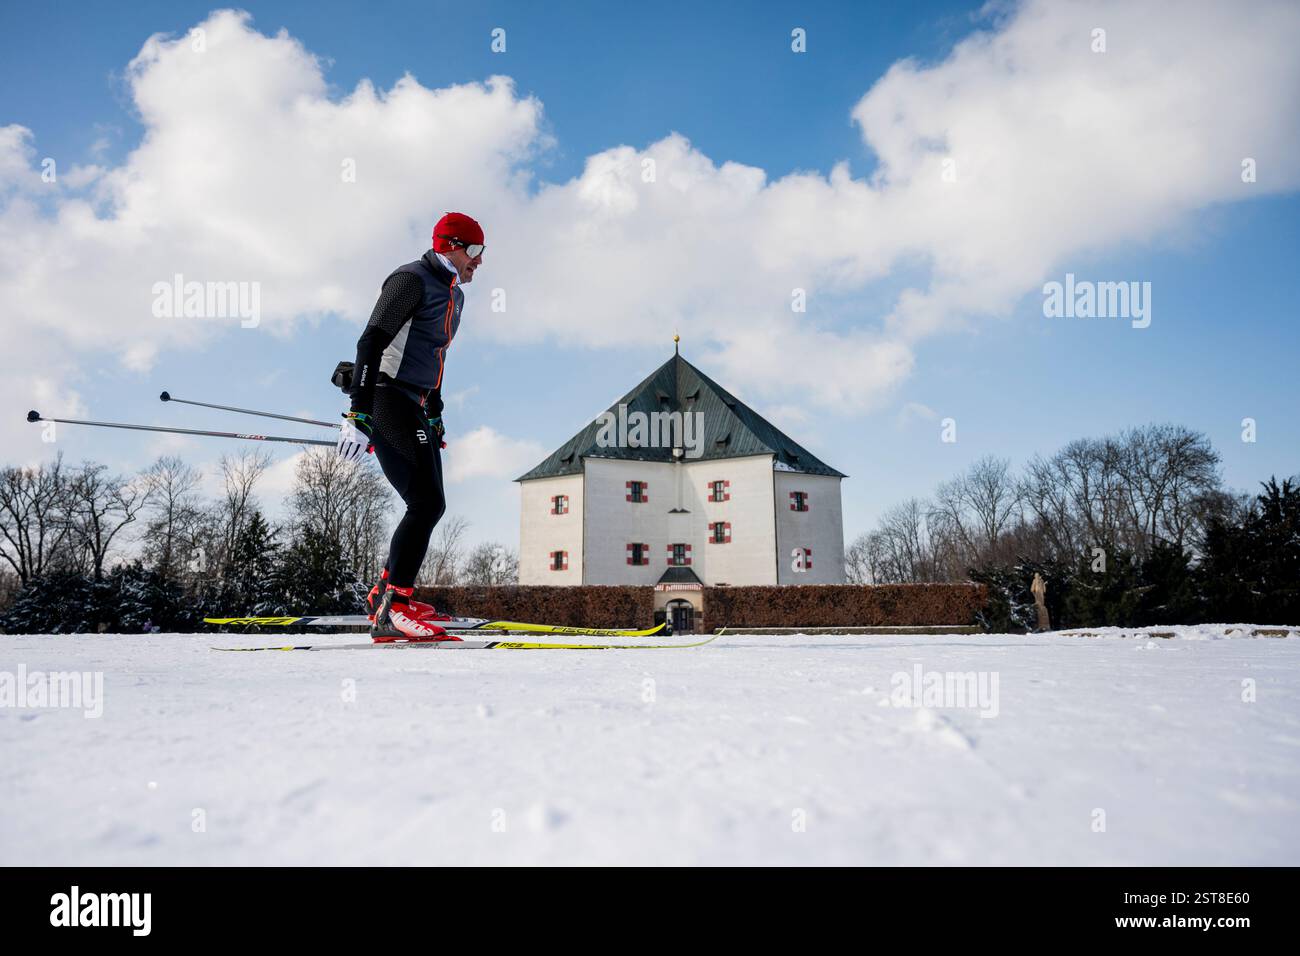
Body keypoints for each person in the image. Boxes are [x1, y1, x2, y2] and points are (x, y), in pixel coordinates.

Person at [335, 212, 485, 641]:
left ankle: (387, 592)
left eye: (481, 253)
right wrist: (359, 414)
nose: (478, 261)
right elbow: (371, 341)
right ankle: (393, 607)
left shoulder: (454, 297)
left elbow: (434, 357)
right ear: (451, 246)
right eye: (474, 251)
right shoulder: (410, 280)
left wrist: (435, 411)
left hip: (415, 403)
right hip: (385, 396)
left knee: (432, 503)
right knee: (423, 503)